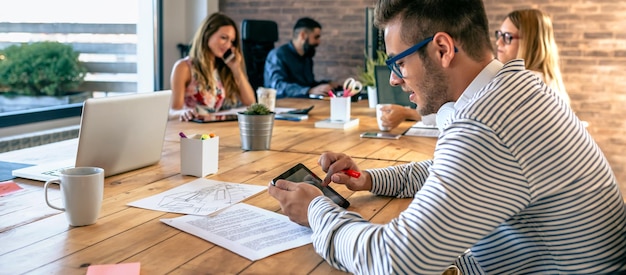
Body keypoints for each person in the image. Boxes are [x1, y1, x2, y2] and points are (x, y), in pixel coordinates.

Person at [268, 0, 626, 274]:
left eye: (398, 62)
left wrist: (316, 210)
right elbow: (451, 169)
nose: (394, 79)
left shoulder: (486, 125)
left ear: (442, 49)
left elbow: (394, 260)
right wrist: (370, 179)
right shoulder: (515, 88)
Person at [169, 12, 255, 121]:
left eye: (231, 41)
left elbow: (251, 103)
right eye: (224, 38)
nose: (228, 45)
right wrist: (183, 112)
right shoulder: (184, 67)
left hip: (213, 130)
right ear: (207, 34)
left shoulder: (222, 68)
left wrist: (236, 68)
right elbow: (173, 111)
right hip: (191, 130)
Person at [496, 9, 571, 105]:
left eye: (507, 36)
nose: (498, 42)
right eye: (499, 34)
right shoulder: (548, 82)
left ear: (530, 43)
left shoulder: (525, 85)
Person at [263, 17, 337, 98]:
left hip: (304, 103)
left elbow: (307, 84)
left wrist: (326, 85)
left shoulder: (307, 57)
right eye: (316, 37)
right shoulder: (278, 55)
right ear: (303, 35)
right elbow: (277, 86)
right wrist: (309, 91)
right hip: (284, 105)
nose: (318, 42)